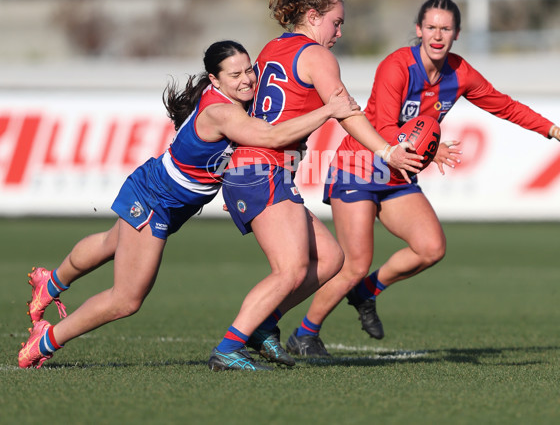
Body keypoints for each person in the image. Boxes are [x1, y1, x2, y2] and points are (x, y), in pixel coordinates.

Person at [17, 39, 362, 370]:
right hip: (154, 199)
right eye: (235, 75)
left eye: (249, 71)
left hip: (165, 195)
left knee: (111, 243)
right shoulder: (223, 112)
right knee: (127, 299)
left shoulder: (237, 101)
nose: (247, 81)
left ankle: (50, 282)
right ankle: (45, 340)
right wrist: (329, 109)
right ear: (214, 79)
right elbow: (271, 137)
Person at [288, 0, 560, 356]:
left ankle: (365, 292)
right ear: (418, 29)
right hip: (360, 163)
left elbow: (504, 105)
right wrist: (429, 153)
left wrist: (553, 130)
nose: (437, 35)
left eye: (445, 29)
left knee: (430, 247)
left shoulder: (459, 73)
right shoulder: (396, 66)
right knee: (354, 262)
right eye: (430, 27)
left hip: (399, 171)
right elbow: (384, 127)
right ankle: (305, 334)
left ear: (456, 34)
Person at [209, 0, 423, 370]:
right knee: (290, 269)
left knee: (329, 259)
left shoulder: (274, 47)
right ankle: (228, 347)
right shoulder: (317, 55)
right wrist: (388, 151)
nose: (338, 33)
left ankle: (262, 326)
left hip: (255, 170)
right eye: (335, 23)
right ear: (312, 17)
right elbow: (347, 112)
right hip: (263, 170)